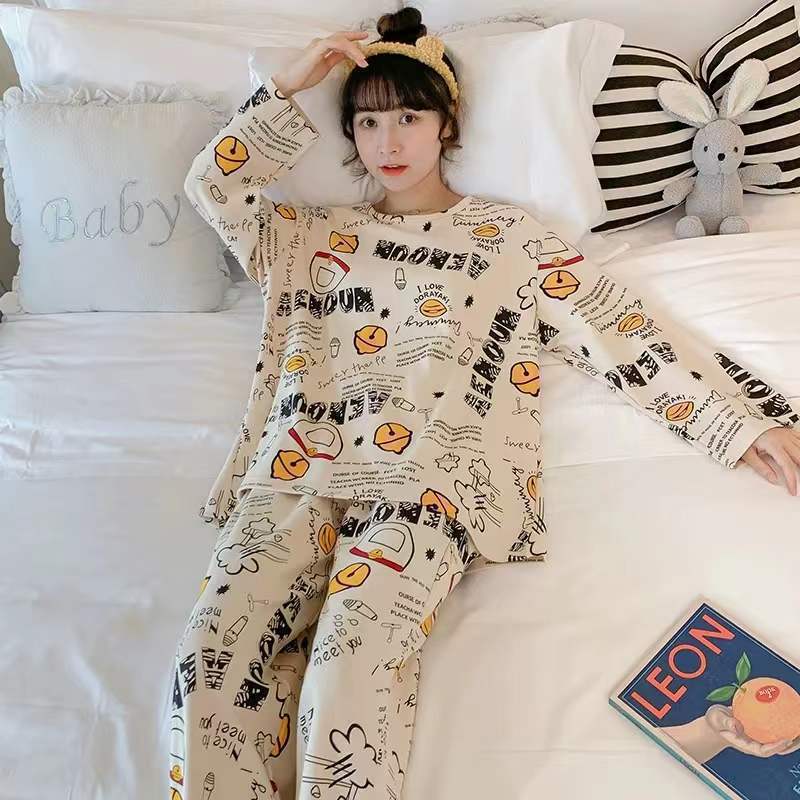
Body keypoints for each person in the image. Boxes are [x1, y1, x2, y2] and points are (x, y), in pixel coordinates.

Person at [168, 8, 800, 799]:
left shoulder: (507, 238)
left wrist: (738, 425)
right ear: (350, 136)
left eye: (409, 116)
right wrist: (290, 83)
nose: (389, 141)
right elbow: (212, 185)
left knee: (350, 672)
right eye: (368, 122)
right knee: (209, 667)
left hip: (427, 485)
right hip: (293, 474)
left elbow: (617, 331)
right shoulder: (302, 236)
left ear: (446, 124)